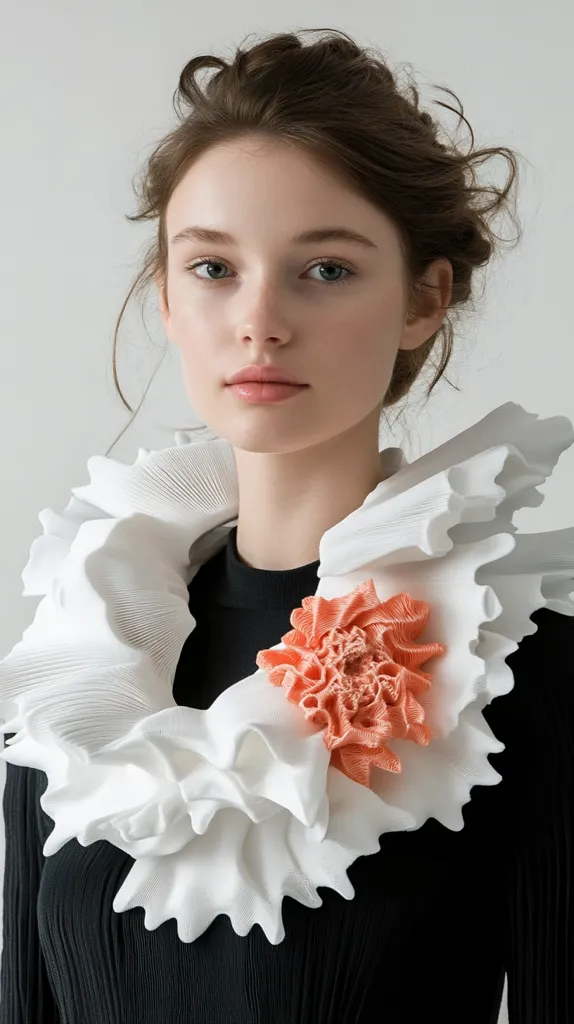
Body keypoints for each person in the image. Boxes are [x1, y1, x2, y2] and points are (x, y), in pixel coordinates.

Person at [1, 26, 573, 1024]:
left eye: (324, 270)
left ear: (424, 299)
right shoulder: (75, 649)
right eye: (213, 268)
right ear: (168, 299)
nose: (258, 319)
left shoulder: (514, 667)